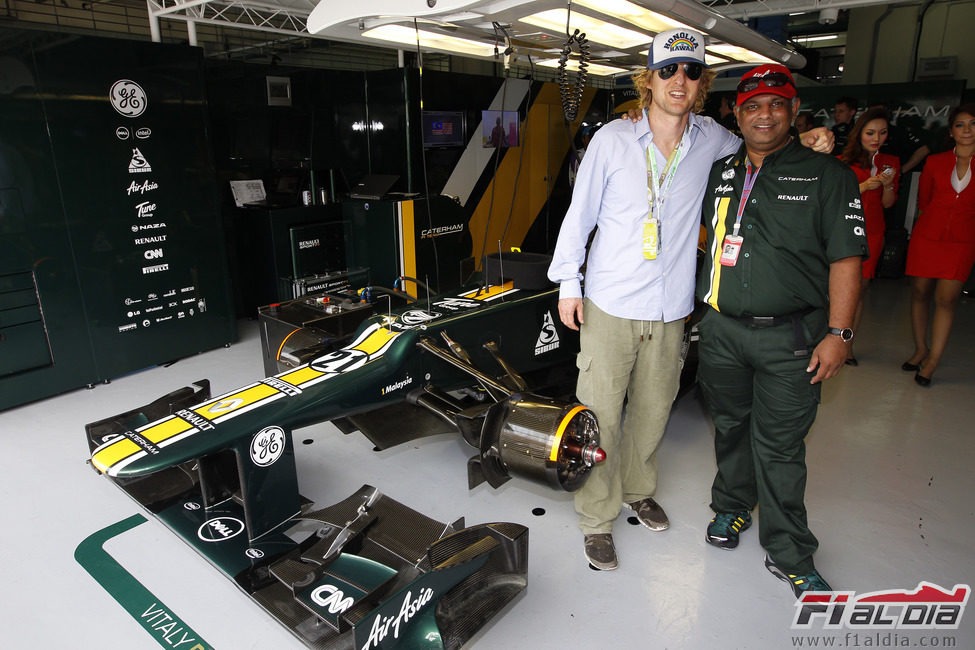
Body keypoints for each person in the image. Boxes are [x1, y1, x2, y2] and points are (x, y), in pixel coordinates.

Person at [547, 29, 834, 571]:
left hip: (673, 307)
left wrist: (811, 139)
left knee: (654, 412)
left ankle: (636, 489)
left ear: (702, 85)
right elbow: (578, 215)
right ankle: (596, 516)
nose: (680, 81)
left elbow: (763, 147)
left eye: (692, 72)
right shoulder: (613, 139)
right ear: (648, 79)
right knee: (602, 415)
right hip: (610, 302)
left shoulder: (716, 142)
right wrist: (568, 282)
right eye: (668, 70)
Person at [696, 64, 866, 597]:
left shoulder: (829, 176)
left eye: (775, 104)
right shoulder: (721, 171)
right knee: (730, 427)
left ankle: (790, 550)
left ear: (794, 113)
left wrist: (840, 333)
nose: (763, 114)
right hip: (722, 331)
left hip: (792, 337)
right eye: (751, 106)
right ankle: (731, 507)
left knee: (780, 447)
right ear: (737, 114)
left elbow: (846, 260)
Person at [902, 104, 975, 386]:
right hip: (927, 236)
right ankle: (921, 348)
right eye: (960, 124)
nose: (967, 130)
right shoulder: (935, 161)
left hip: (962, 240)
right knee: (920, 292)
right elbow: (924, 201)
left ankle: (932, 361)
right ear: (952, 131)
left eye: (972, 124)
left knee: (947, 299)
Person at [839, 107, 900, 365]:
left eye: (882, 133)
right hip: (844, 230)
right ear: (860, 133)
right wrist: (862, 187)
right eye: (870, 132)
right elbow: (836, 200)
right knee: (838, 287)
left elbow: (888, 203)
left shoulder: (891, 163)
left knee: (860, 290)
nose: (876, 138)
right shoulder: (843, 162)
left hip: (873, 231)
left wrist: (886, 185)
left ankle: (847, 344)